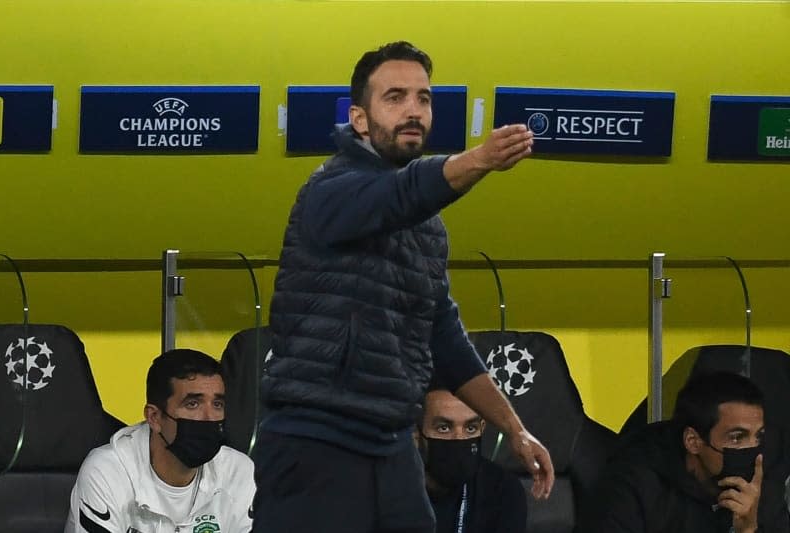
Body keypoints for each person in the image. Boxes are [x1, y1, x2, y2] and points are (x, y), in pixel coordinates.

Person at [255, 40, 553, 533]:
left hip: (393, 443)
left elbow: (446, 341)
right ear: (359, 119)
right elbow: (400, 194)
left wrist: (515, 430)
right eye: (395, 98)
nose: (413, 111)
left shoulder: (429, 228)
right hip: (314, 441)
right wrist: (479, 159)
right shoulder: (330, 190)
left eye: (424, 98)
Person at [65, 349, 255, 533]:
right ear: (154, 417)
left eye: (217, 404)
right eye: (193, 404)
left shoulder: (239, 472)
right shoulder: (106, 472)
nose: (209, 417)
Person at [583, 371, 790, 533]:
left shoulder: (762, 488)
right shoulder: (635, 485)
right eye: (736, 437)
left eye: (758, 437)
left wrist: (747, 530)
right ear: (693, 441)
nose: (751, 449)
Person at [419, 387, 527, 533]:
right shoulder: (385, 487)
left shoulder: (502, 491)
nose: (459, 439)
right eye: (443, 428)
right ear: (416, 432)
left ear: (482, 428)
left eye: (470, 428)